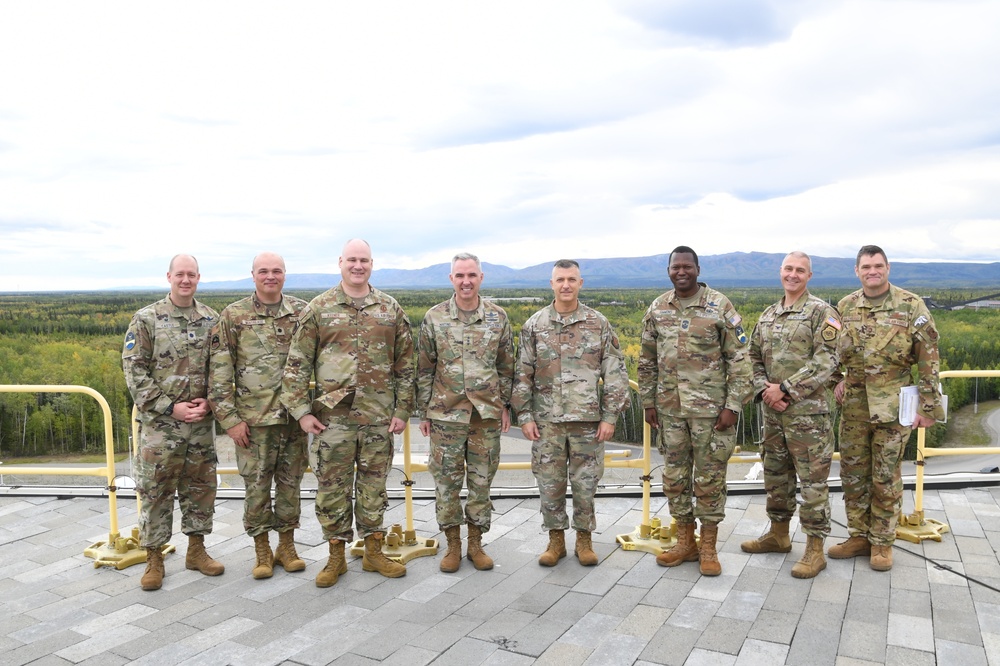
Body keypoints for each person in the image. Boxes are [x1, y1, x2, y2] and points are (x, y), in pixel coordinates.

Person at [281, 239, 415, 587]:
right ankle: (336, 556)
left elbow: (406, 365)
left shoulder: (389, 308)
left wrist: (402, 410)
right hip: (332, 420)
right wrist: (300, 412)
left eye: (364, 260)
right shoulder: (319, 308)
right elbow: (297, 364)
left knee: (374, 488)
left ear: (372, 264)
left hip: (378, 418)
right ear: (340, 262)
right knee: (331, 489)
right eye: (352, 260)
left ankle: (373, 552)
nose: (358, 266)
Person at [830, 245, 945, 571]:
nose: (872, 271)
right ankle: (858, 536)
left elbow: (929, 357)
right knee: (853, 474)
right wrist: (835, 380)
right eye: (866, 266)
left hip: (894, 406)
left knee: (885, 476)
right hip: (854, 406)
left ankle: (882, 542)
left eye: (878, 265)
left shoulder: (910, 305)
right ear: (857, 270)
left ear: (888, 268)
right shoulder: (846, 306)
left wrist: (928, 405)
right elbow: (828, 351)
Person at [639, 246, 752, 576]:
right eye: (676, 267)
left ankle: (708, 547)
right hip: (671, 412)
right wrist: (648, 402)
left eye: (687, 266)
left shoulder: (720, 306)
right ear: (669, 270)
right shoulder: (658, 308)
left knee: (709, 480)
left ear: (698, 270)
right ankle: (685, 542)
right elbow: (646, 361)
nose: (681, 272)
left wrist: (732, 406)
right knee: (674, 479)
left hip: (712, 414)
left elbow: (740, 361)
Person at [511, 259, 630, 567]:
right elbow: (522, 373)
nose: (566, 284)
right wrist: (523, 416)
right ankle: (555, 541)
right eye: (560, 279)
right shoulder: (534, 326)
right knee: (549, 483)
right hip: (547, 421)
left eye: (571, 279)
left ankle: (584, 540)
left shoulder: (597, 323)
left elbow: (615, 371)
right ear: (551, 284)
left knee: (586, 484)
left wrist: (610, 416)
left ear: (581, 283)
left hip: (588, 422)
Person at [122, 254, 223, 591]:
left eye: (191, 275)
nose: (185, 280)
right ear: (169, 276)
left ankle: (196, 550)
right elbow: (134, 372)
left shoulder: (211, 319)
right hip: (160, 427)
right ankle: (154, 558)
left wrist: (210, 399)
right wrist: (170, 407)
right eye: (180, 274)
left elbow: (223, 368)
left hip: (200, 424)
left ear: (198, 277)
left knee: (201, 488)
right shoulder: (147, 319)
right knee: (155, 490)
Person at [208, 252, 309, 580]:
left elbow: (319, 361)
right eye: (263, 271)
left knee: (291, 484)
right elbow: (219, 371)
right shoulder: (234, 315)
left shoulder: (301, 312)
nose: (270, 276)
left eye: (276, 271)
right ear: (252, 275)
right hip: (252, 422)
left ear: (284, 274)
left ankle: (287, 545)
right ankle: (262, 549)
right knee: (256, 487)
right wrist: (229, 420)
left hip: (293, 419)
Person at [741, 251, 841, 578]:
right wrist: (764, 390)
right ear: (780, 272)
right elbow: (751, 358)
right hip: (774, 417)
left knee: (813, 484)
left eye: (800, 270)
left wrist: (783, 388)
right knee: (776, 477)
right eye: (788, 269)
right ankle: (779, 535)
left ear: (809, 276)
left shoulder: (822, 313)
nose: (793, 275)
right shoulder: (768, 315)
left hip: (808, 418)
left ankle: (815, 549)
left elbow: (827, 362)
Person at [416, 252, 515, 573]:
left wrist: (505, 406)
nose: (466, 281)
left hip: (485, 415)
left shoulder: (497, 317)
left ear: (481, 278)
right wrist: (425, 412)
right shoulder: (435, 318)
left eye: (471, 275)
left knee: (481, 482)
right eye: (460, 276)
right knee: (446, 482)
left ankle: (475, 543)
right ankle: (453, 545)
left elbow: (506, 367)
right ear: (451, 279)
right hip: (446, 415)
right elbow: (424, 368)